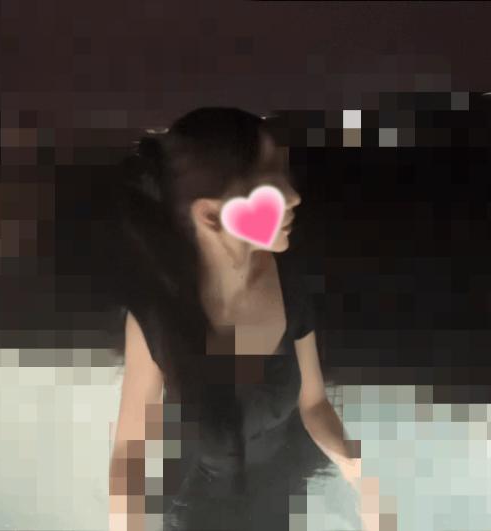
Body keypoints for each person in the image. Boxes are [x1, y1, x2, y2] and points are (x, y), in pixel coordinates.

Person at [108, 107, 367, 531]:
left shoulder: (289, 285)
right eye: (269, 184)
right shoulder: (159, 316)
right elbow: (129, 454)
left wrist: (366, 483)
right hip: (199, 514)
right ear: (211, 215)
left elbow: (314, 404)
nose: (294, 196)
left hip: (278, 501)